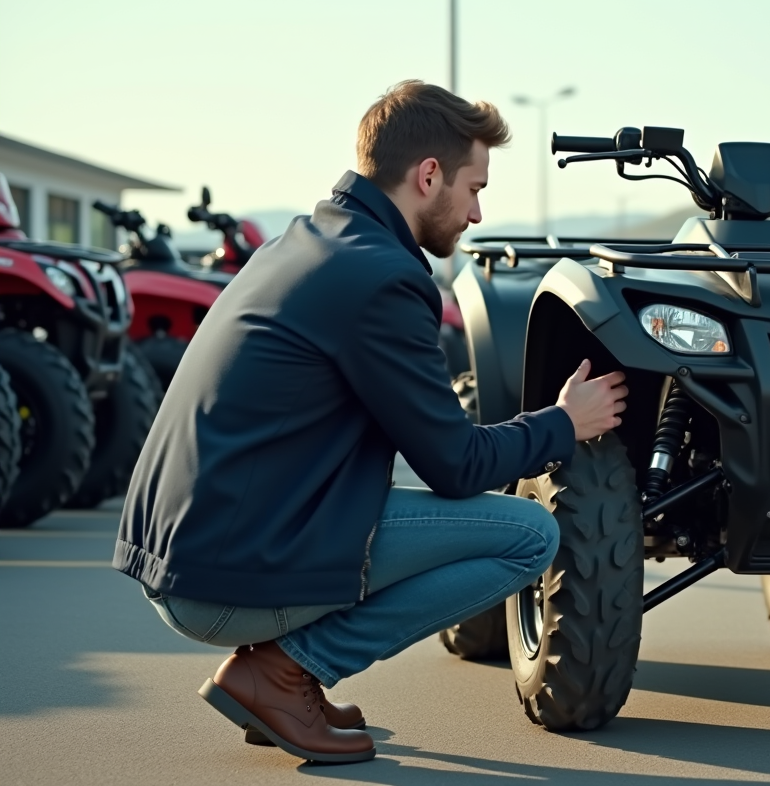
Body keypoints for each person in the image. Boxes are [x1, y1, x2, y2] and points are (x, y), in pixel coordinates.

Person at [112, 80, 628, 764]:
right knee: (529, 536)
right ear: (428, 175)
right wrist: (563, 422)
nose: (477, 212)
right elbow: (457, 466)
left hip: (189, 554)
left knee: (466, 523)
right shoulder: (383, 279)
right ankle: (287, 671)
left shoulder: (306, 243)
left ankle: (282, 673)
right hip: (222, 577)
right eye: (474, 188)